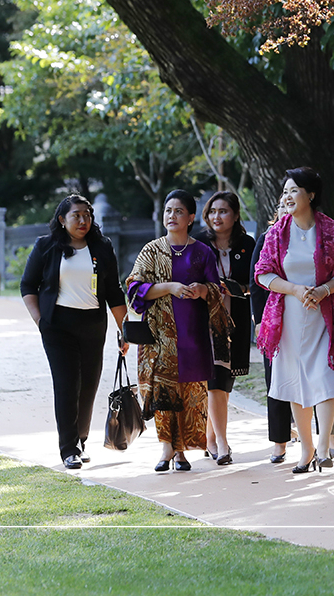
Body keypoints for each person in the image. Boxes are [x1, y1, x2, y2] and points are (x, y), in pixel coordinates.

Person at [254, 167, 334, 474]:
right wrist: (295, 289)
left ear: (310, 195)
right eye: (285, 192)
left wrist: (325, 290)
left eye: (294, 191)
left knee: (326, 378)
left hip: (325, 315)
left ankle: (324, 446)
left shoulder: (330, 230)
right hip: (288, 314)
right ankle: (306, 449)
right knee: (294, 382)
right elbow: (263, 273)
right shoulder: (276, 233)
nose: (287, 197)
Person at [127, 190, 234, 472]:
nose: (171, 216)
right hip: (160, 337)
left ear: (189, 218)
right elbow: (134, 287)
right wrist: (169, 287)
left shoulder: (202, 252)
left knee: (190, 393)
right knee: (164, 392)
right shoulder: (151, 251)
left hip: (194, 334)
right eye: (167, 211)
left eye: (178, 211)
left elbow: (216, 290)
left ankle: (182, 451)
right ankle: (167, 449)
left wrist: (202, 290)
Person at [20, 195, 128, 469]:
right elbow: (28, 285)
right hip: (58, 326)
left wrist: (124, 329)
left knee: (89, 386)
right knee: (67, 385)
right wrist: (39, 321)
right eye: (76, 215)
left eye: (87, 215)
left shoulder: (102, 247)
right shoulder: (47, 246)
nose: (83, 221)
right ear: (62, 220)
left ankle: (80, 440)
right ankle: (67, 449)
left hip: (93, 324)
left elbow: (114, 292)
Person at [198, 191, 254, 466]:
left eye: (223, 211)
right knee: (215, 382)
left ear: (234, 215)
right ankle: (222, 443)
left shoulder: (247, 244)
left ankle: (209, 439)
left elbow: (255, 282)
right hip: (206, 323)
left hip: (237, 322)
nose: (216, 217)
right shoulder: (197, 243)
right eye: (212, 212)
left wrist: (234, 287)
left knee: (224, 384)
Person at [250, 197, 293, 464]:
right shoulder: (267, 238)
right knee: (276, 381)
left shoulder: (316, 236)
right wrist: (258, 321)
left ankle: (327, 440)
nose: (286, 209)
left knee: (319, 377)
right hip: (274, 321)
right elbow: (256, 283)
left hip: (310, 317)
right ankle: (280, 442)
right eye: (281, 205)